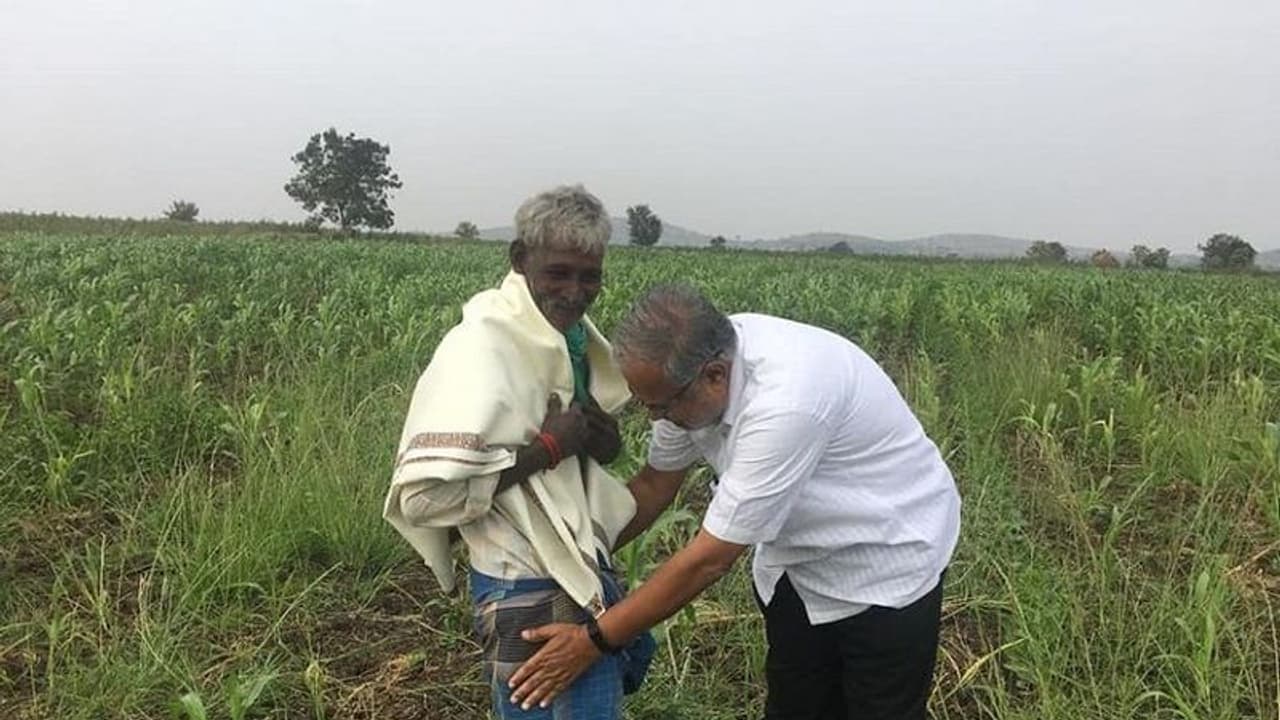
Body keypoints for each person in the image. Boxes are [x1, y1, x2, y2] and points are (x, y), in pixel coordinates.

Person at [509, 284, 960, 720]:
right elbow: (654, 485)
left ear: (714, 376)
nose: (655, 418)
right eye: (647, 405)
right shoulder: (681, 377)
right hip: (797, 571)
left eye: (661, 407)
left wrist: (593, 641)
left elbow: (709, 560)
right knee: (795, 705)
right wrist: (580, 552)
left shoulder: (785, 404)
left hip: (886, 566)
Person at [383, 185, 654, 719]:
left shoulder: (567, 341)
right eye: (558, 272)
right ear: (519, 260)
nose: (575, 291)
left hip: (573, 567)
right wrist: (549, 447)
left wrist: (602, 442)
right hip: (522, 577)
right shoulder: (484, 344)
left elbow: (575, 455)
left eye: (589, 275)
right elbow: (425, 498)